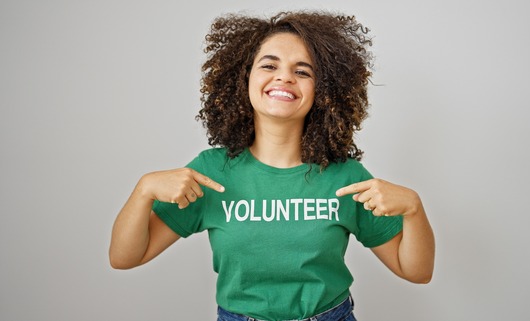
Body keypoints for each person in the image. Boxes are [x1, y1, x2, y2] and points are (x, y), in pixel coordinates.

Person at [109, 10, 435, 321]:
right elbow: (125, 257)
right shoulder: (210, 172)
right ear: (244, 76)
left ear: (322, 90)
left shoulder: (346, 176)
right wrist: (143, 190)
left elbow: (416, 272)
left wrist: (414, 210)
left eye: (303, 71)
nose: (284, 77)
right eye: (269, 65)